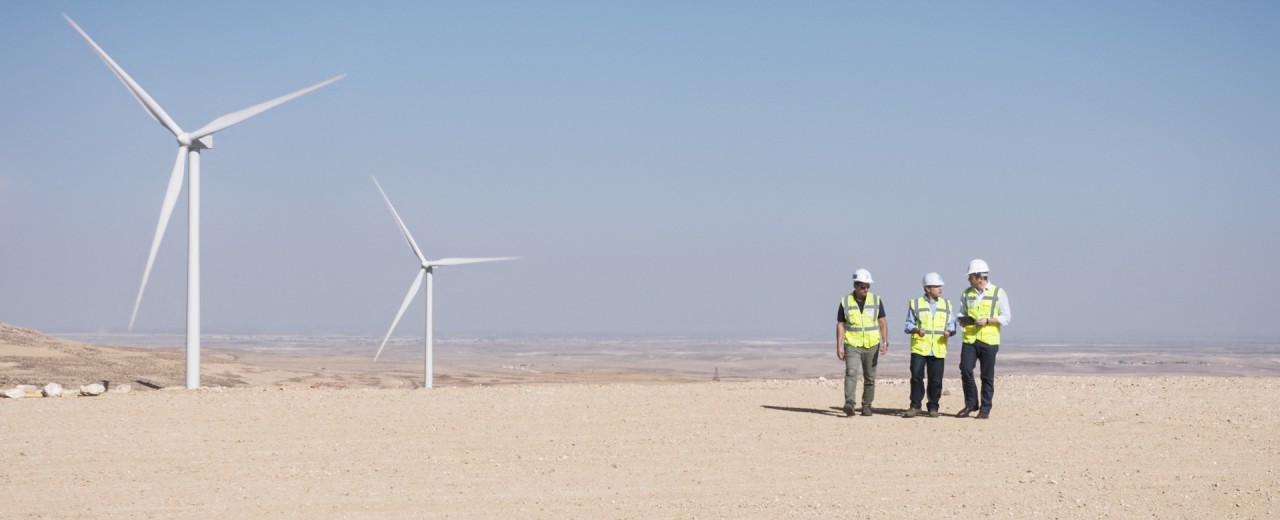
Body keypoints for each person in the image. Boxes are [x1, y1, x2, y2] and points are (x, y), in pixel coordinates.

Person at [956, 259, 1011, 419]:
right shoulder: (967, 293)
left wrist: (987, 320)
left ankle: (985, 408)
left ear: (979, 277)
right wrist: (963, 320)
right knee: (965, 370)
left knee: (986, 376)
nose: (968, 279)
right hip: (970, 340)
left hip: (989, 341)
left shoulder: (998, 293)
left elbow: (1006, 318)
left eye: (970, 276)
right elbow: (961, 313)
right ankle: (971, 403)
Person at [903, 272, 956, 418]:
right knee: (916, 377)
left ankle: (933, 407)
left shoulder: (947, 304)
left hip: (938, 348)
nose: (940, 289)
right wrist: (916, 330)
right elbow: (908, 325)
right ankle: (915, 406)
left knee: (936, 380)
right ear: (927, 288)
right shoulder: (915, 304)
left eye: (940, 286)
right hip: (920, 347)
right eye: (937, 286)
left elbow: (952, 324)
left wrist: (949, 332)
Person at [836, 268, 889, 417]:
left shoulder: (876, 300)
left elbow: (882, 321)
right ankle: (849, 403)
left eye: (867, 286)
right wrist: (839, 346)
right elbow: (841, 324)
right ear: (855, 286)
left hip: (872, 344)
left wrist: (885, 340)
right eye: (862, 286)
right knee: (851, 372)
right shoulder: (845, 301)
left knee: (870, 376)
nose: (865, 289)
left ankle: (866, 405)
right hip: (852, 344)